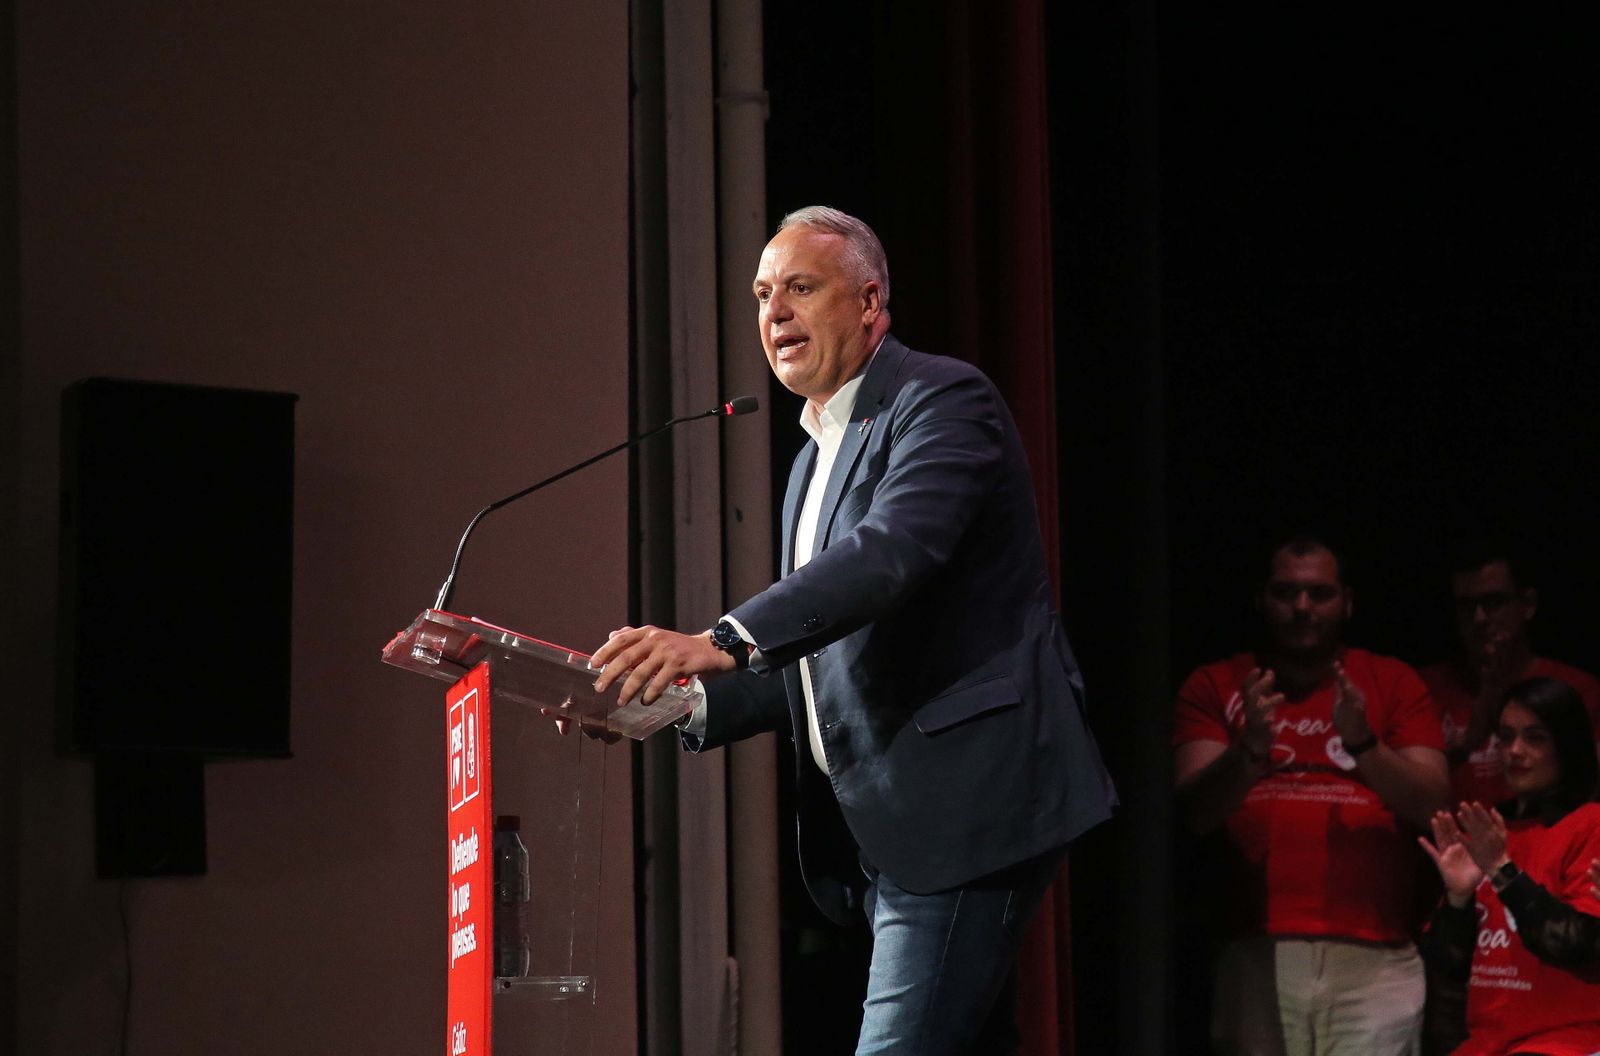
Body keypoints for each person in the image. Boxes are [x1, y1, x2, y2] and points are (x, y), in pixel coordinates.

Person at [589, 206, 1116, 1054]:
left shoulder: (940, 398)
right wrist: (661, 699)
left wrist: (722, 637)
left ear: (870, 301)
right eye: (762, 294)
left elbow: (894, 551)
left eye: (800, 288)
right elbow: (818, 663)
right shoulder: (811, 460)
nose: (774, 313)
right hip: (884, 824)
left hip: (964, 804)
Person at [1172, 536, 1450, 1056]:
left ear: (1347, 601)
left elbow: (1433, 805)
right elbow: (1197, 813)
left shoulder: (1392, 681)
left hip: (1377, 956)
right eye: (1286, 592)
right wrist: (1250, 748)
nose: (1302, 607)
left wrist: (1363, 742)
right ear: (1261, 599)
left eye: (1320, 593)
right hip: (1255, 948)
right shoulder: (1216, 683)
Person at [1418, 676, 1600, 1055]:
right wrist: (1458, 899)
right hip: (1487, 1044)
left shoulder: (1590, 824)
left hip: (1568, 1040)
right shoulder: (1491, 829)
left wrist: (1502, 871)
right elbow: (1447, 967)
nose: (1514, 750)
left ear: (1567, 745)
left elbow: (1577, 944)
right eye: (1505, 736)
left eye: (1535, 737)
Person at [1418, 542, 1600, 806]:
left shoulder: (1578, 689)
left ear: (1528, 604)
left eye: (1493, 602)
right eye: (1466, 606)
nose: (1479, 618)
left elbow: (1590, 791)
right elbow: (1411, 794)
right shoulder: (1423, 687)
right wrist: (1469, 742)